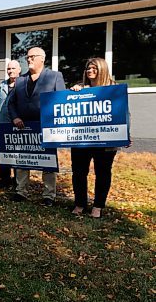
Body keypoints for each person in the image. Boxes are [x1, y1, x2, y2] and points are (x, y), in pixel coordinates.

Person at [8, 47, 66, 206]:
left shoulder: (54, 76)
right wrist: (15, 117)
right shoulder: (20, 80)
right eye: (27, 57)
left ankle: (49, 195)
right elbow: (11, 103)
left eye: (32, 57)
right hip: (23, 127)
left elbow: (61, 101)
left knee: (47, 162)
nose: (28, 60)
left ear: (42, 58)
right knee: (22, 160)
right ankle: (21, 191)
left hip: (46, 128)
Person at [70, 57, 122, 218]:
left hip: (105, 139)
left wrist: (125, 134)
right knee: (78, 172)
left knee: (103, 172)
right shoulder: (80, 89)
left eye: (94, 68)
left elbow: (122, 112)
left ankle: (98, 205)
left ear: (102, 69)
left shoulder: (114, 89)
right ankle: (80, 203)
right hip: (80, 139)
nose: (90, 71)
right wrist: (74, 91)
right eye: (88, 68)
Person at [0, 60, 21, 188]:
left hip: (17, 124)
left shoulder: (23, 84)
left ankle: (17, 181)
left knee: (16, 152)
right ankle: (5, 179)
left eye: (13, 68)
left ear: (19, 70)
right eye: (9, 69)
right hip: (2, 124)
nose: (10, 71)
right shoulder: (2, 85)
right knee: (1, 152)